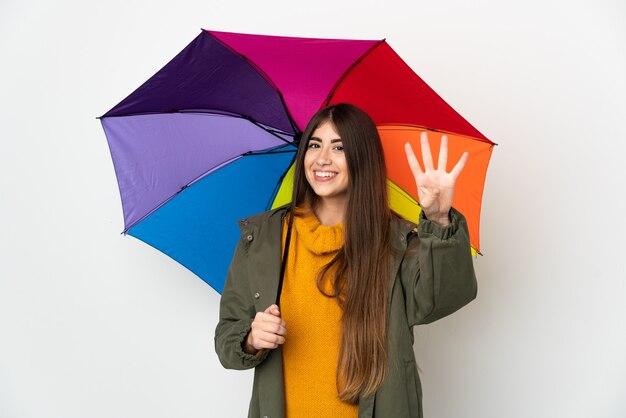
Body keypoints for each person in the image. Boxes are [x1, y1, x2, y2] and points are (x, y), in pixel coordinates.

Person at [214, 103, 477, 418]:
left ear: (362, 159)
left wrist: (438, 220)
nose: (322, 158)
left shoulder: (395, 241)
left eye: (339, 147)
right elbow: (227, 338)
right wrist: (252, 339)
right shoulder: (263, 238)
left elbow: (442, 298)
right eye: (315, 144)